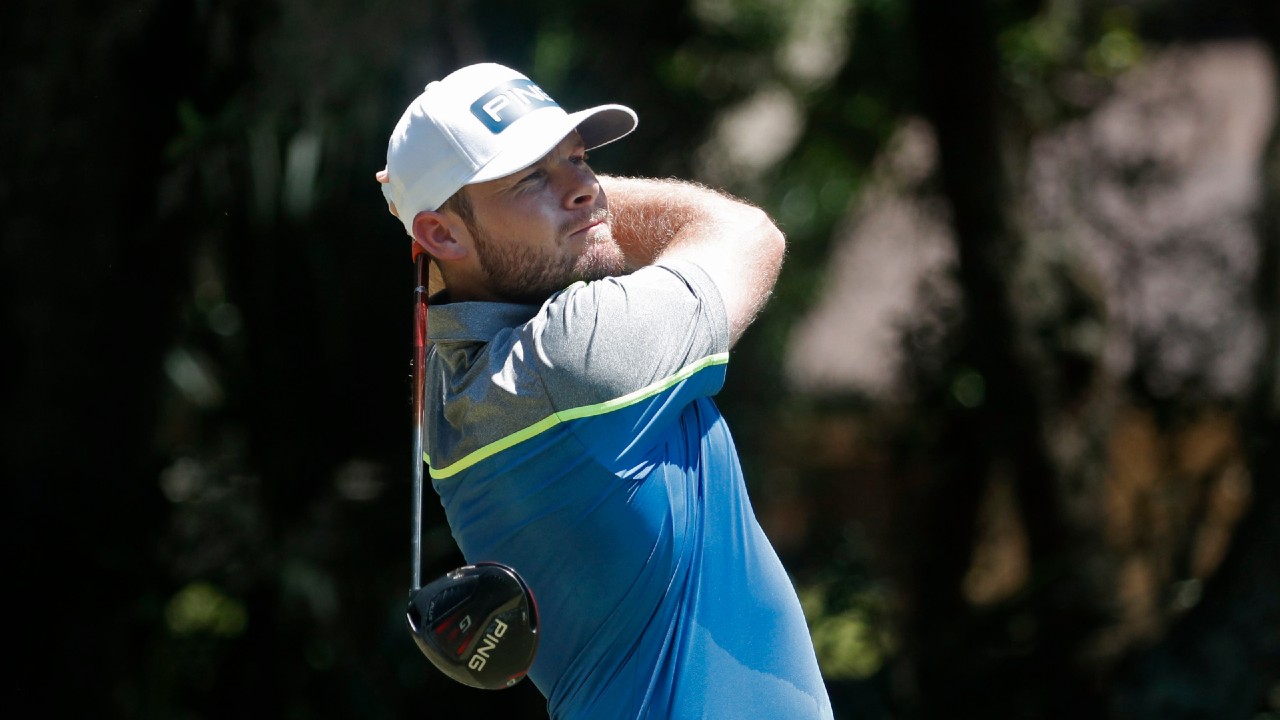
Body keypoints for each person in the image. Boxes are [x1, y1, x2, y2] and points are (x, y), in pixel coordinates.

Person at [378, 62, 833, 719]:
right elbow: (745, 233)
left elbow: (457, 258)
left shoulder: (450, 396)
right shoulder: (573, 353)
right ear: (441, 234)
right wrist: (436, 205)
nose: (587, 189)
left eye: (581, 158)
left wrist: (441, 207)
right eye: (534, 175)